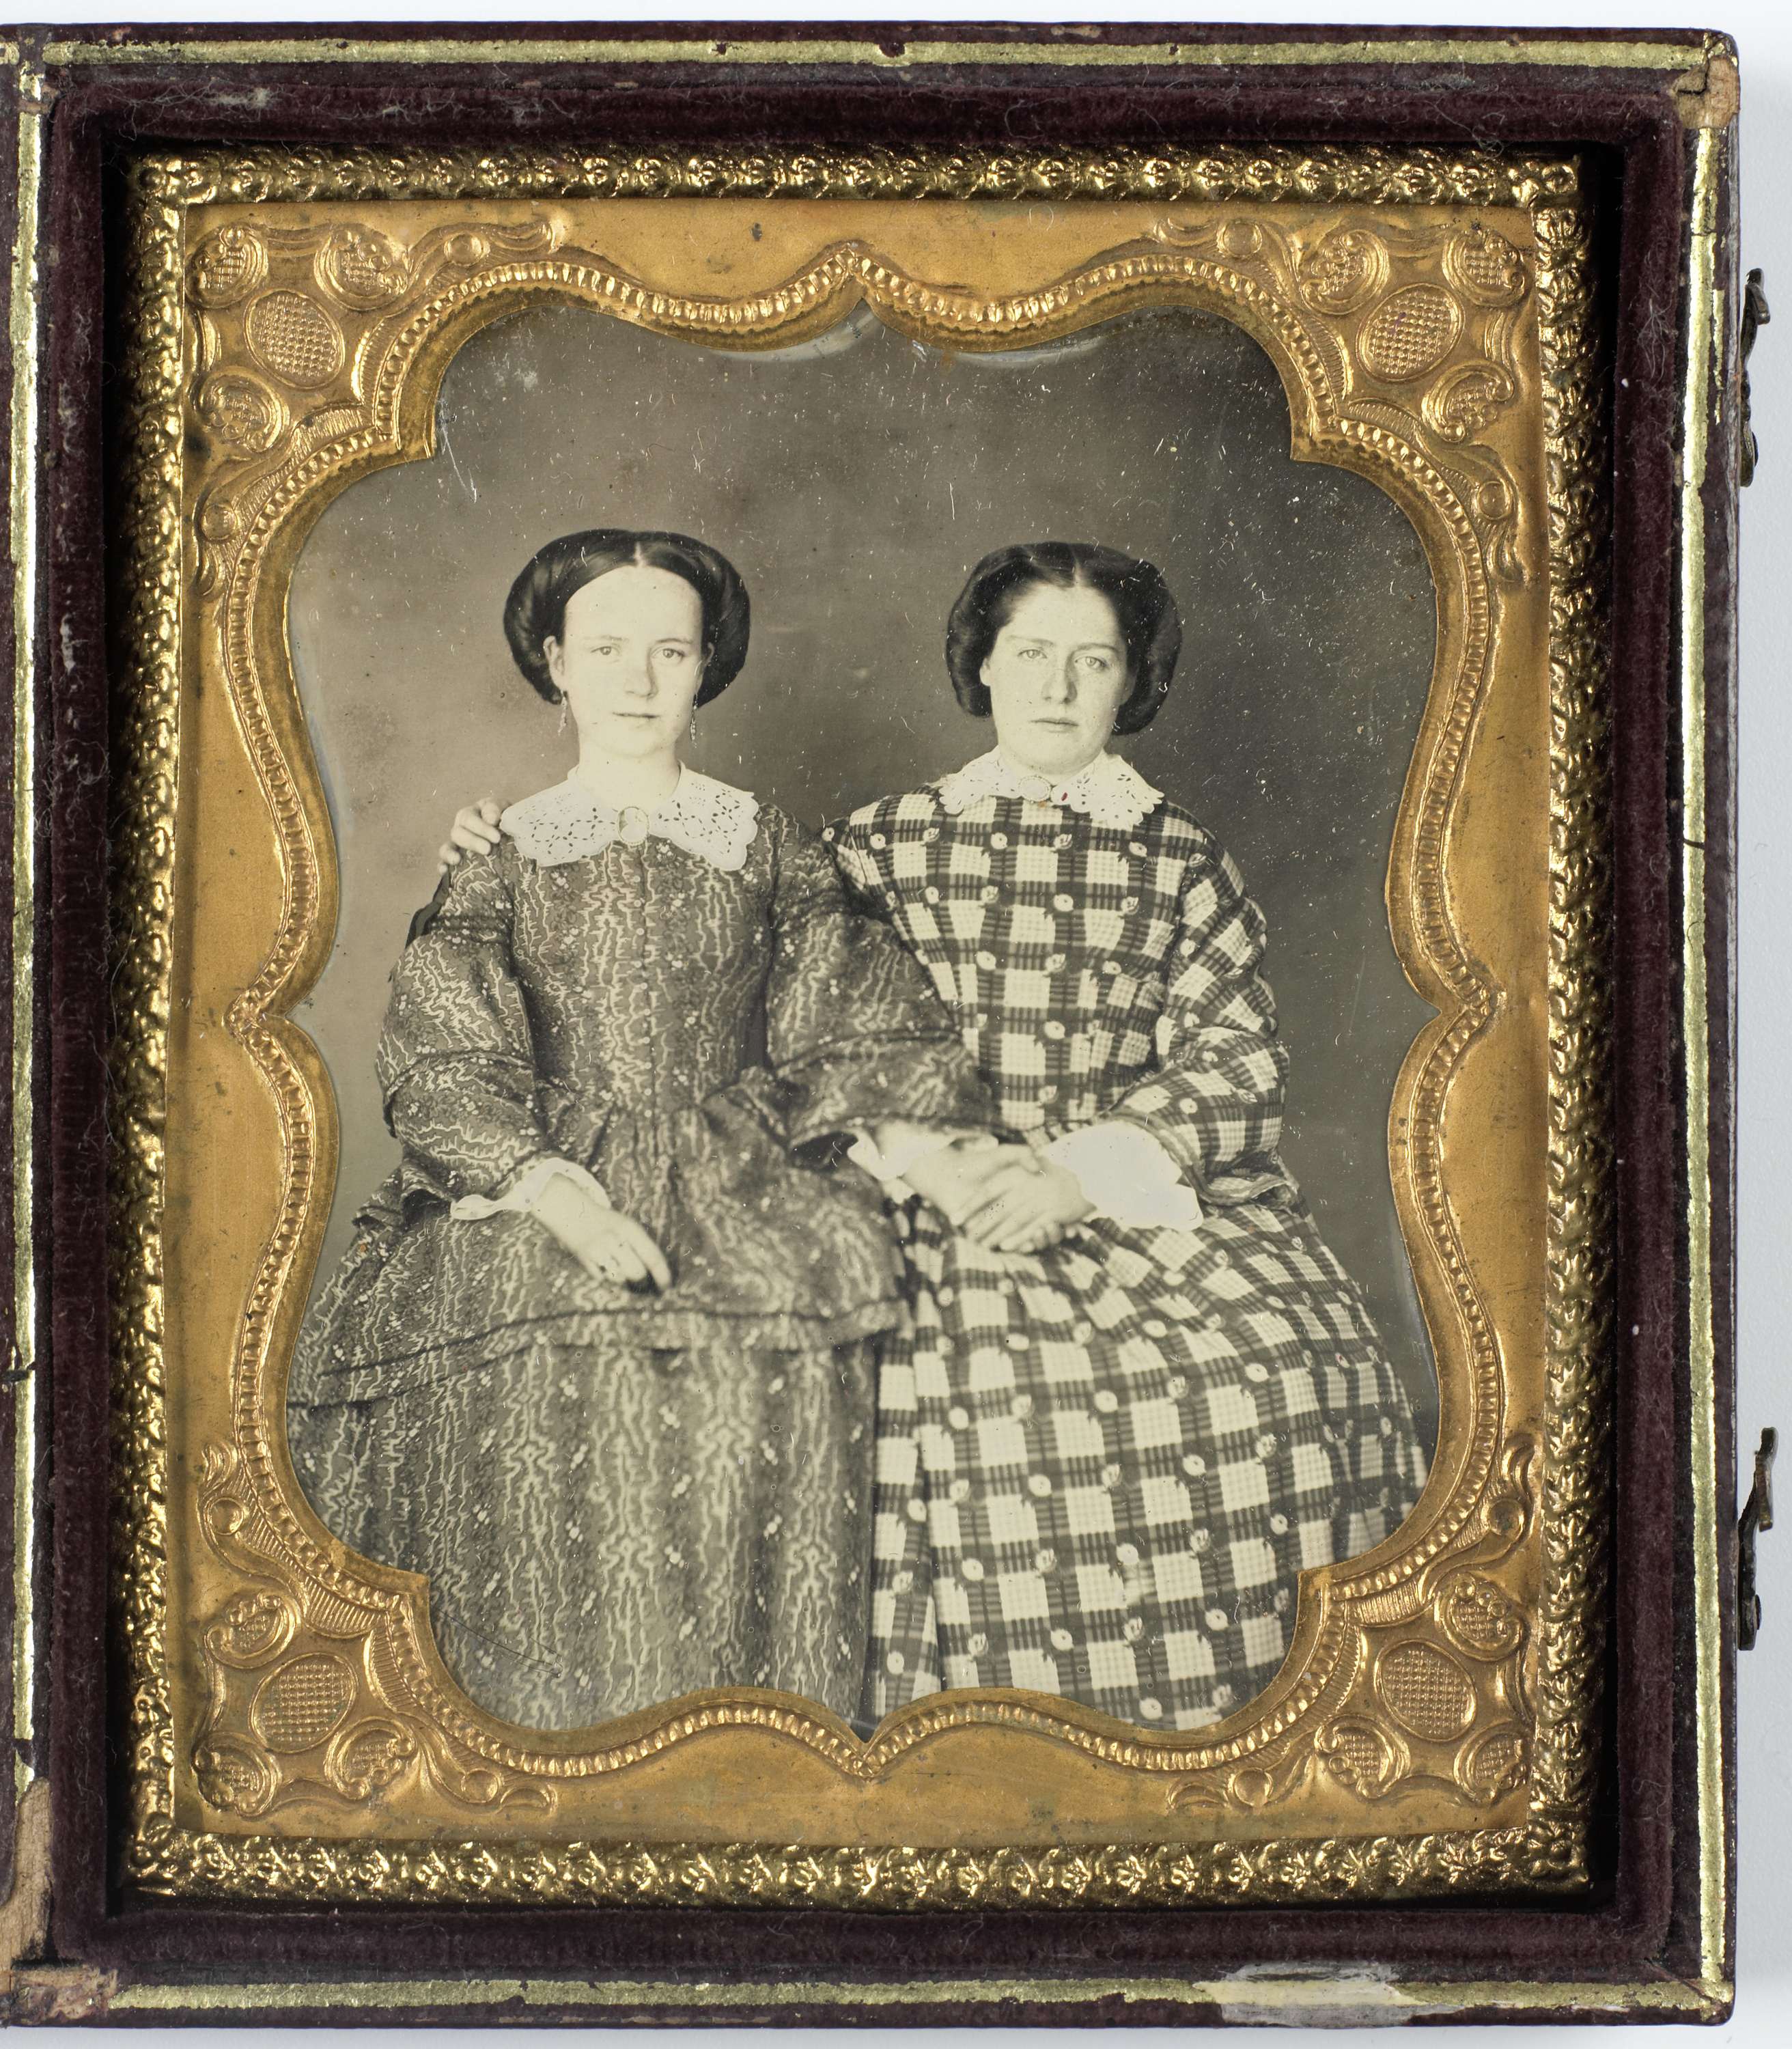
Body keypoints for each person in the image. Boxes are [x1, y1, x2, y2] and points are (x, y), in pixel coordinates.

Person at [439, 540, 1428, 1737]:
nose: (1057, 687)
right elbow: (801, 1028)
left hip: (1116, 1188)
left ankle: (1214, 1755)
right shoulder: (881, 842)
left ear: (1131, 682)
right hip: (914, 1181)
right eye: (1031, 654)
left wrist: (1078, 1175)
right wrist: (934, 1162)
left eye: (1093, 662)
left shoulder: (1180, 858)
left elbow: (1237, 1057)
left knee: (1274, 1376)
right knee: (929, 1388)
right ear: (985, 666)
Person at [288, 529, 990, 1732]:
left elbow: (847, 1011)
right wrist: (553, 1191)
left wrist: (930, 1156)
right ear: (555, 663)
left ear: (707, 664)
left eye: (671, 650)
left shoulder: (768, 843)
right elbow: (449, 1050)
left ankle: (748, 1743)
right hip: (544, 1170)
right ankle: (544, 1745)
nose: (638, 679)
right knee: (541, 1341)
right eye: (606, 649)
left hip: (739, 1170)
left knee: (782, 1339)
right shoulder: (503, 853)